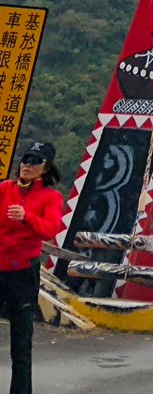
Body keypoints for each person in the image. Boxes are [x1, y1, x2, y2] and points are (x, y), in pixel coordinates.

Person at [0, 141, 64, 394]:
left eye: (35, 161)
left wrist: (27, 217)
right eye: (25, 159)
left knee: (21, 340)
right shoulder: (4, 188)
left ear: (45, 168)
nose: (27, 165)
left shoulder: (51, 197)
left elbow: (50, 229)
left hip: (22, 273)